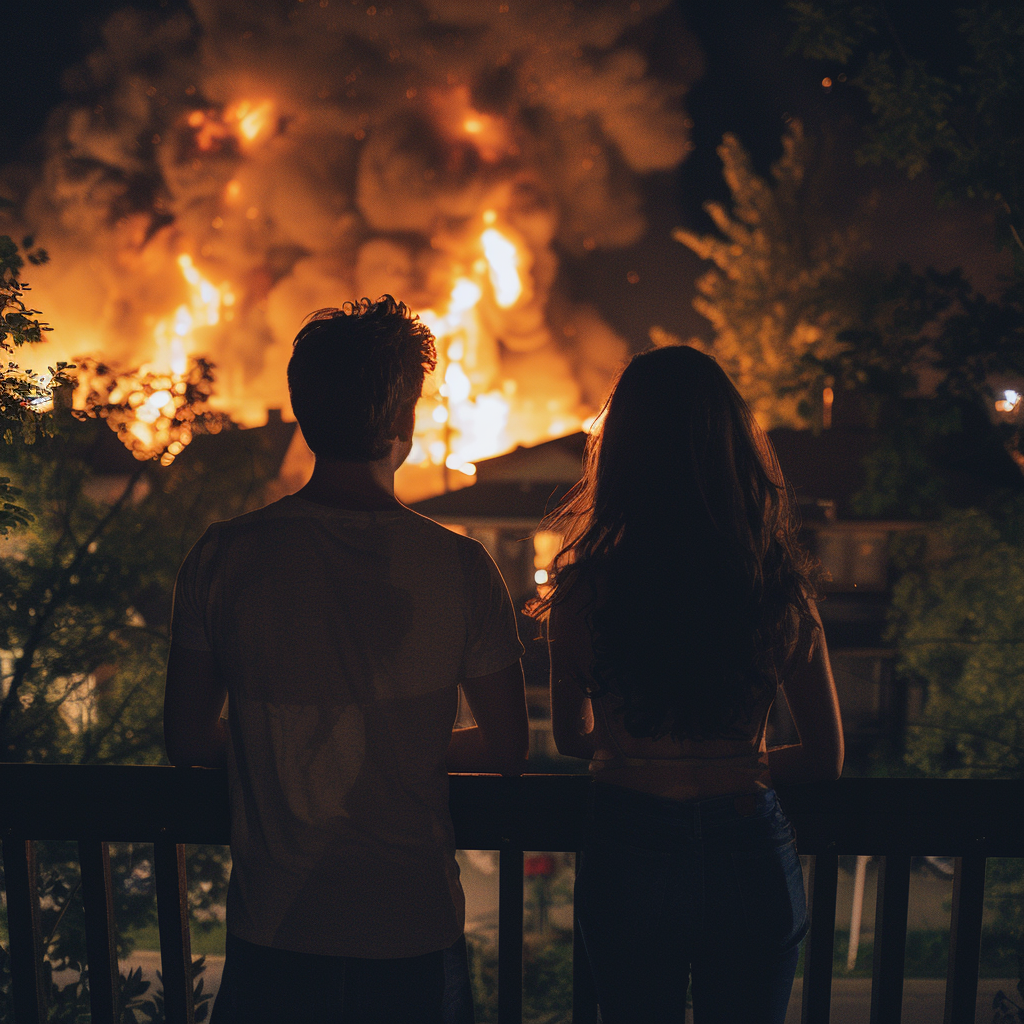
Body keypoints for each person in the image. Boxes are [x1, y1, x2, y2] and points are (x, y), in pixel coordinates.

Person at [164, 295, 529, 1024]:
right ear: (405, 423)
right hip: (412, 931)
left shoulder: (225, 557)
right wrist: (405, 745)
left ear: (300, 410)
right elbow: (509, 744)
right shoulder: (460, 567)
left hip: (277, 928)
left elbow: (186, 737)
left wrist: (285, 743)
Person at [530, 345, 843, 1024]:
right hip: (748, 839)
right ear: (733, 448)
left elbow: (570, 738)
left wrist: (641, 751)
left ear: (620, 456)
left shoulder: (585, 590)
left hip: (631, 839)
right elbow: (825, 757)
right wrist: (735, 760)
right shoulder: (776, 587)